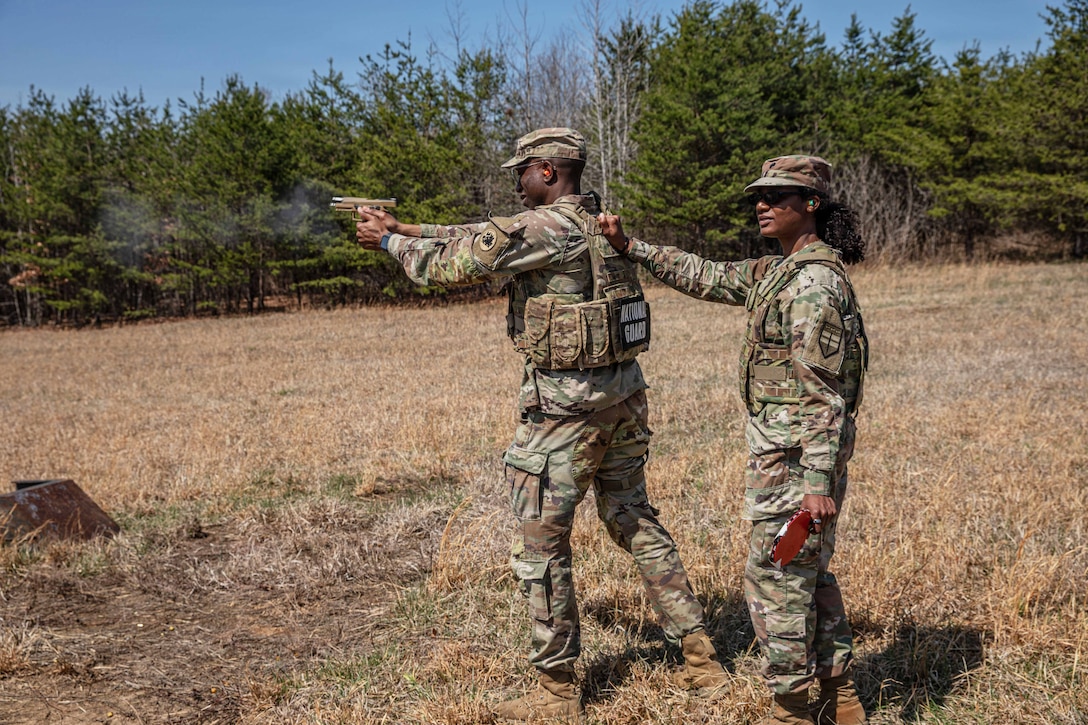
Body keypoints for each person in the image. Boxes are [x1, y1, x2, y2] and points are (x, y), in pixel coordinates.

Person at [353, 128, 729, 722]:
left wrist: (388, 246)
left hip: (565, 413)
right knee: (635, 520)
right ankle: (701, 658)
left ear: (548, 172)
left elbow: (449, 266)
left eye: (521, 172)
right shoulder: (599, 224)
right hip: (623, 400)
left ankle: (556, 693)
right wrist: (407, 227)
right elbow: (478, 234)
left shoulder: (546, 228)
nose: (516, 183)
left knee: (542, 544)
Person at [598, 155, 869, 725]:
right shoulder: (780, 271)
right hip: (787, 452)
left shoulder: (814, 285)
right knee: (806, 572)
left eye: (777, 196)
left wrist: (818, 481)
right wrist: (632, 247)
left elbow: (822, 391)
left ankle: (793, 708)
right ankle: (841, 697)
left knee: (775, 575)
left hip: (797, 459)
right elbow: (707, 274)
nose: (762, 205)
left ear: (812, 204)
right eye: (759, 196)